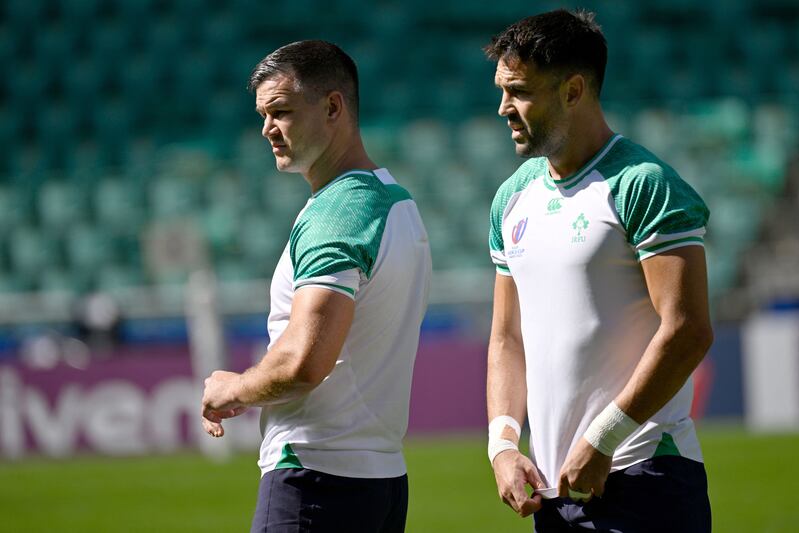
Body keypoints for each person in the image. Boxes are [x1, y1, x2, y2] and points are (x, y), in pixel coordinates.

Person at [483, 10, 713, 532]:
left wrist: (604, 436)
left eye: (518, 91)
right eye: (501, 91)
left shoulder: (644, 183)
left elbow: (688, 330)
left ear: (573, 91)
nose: (503, 109)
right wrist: (501, 444)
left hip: (645, 473)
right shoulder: (511, 198)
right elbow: (506, 337)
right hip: (556, 490)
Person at [200, 40, 431, 533]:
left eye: (280, 111)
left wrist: (232, 387)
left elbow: (306, 362)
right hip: (380, 479)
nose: (267, 129)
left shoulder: (338, 213)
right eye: (263, 115)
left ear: (332, 107)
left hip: (317, 481)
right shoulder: (395, 200)